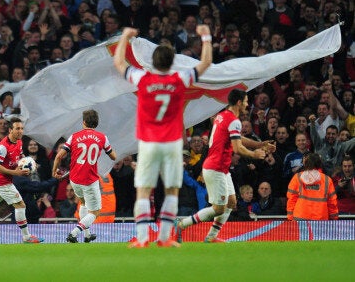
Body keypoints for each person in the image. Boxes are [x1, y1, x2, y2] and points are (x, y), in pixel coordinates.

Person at [113, 24, 213, 248]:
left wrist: (125, 37)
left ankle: (141, 239)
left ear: (154, 62)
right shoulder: (180, 80)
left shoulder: (143, 79)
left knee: (143, 190)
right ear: (172, 62)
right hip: (171, 143)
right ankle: (165, 237)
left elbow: (119, 63)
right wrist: (205, 36)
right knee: (171, 190)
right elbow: (205, 63)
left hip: (148, 142)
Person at [176, 89, 268, 243]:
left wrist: (260, 144)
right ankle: (182, 224)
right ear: (239, 102)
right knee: (218, 208)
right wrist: (255, 154)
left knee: (232, 202)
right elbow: (238, 148)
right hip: (215, 168)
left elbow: (239, 139)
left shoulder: (222, 116)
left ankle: (211, 237)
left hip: (221, 168)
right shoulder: (233, 121)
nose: (247, 104)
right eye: (245, 101)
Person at [52, 109, 117, 243]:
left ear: (84, 122)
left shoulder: (74, 136)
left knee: (83, 203)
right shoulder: (102, 137)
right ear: (97, 123)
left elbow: (59, 156)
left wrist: (54, 171)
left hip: (74, 179)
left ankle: (87, 235)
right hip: (89, 180)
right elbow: (113, 156)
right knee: (95, 212)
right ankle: (74, 233)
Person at [286, 153, 338, 221]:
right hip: (320, 219)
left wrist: (290, 217)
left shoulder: (297, 177)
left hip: (300, 217)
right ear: (319, 164)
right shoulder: (327, 180)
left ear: (305, 163)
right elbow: (332, 202)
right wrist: (333, 217)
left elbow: (291, 199)